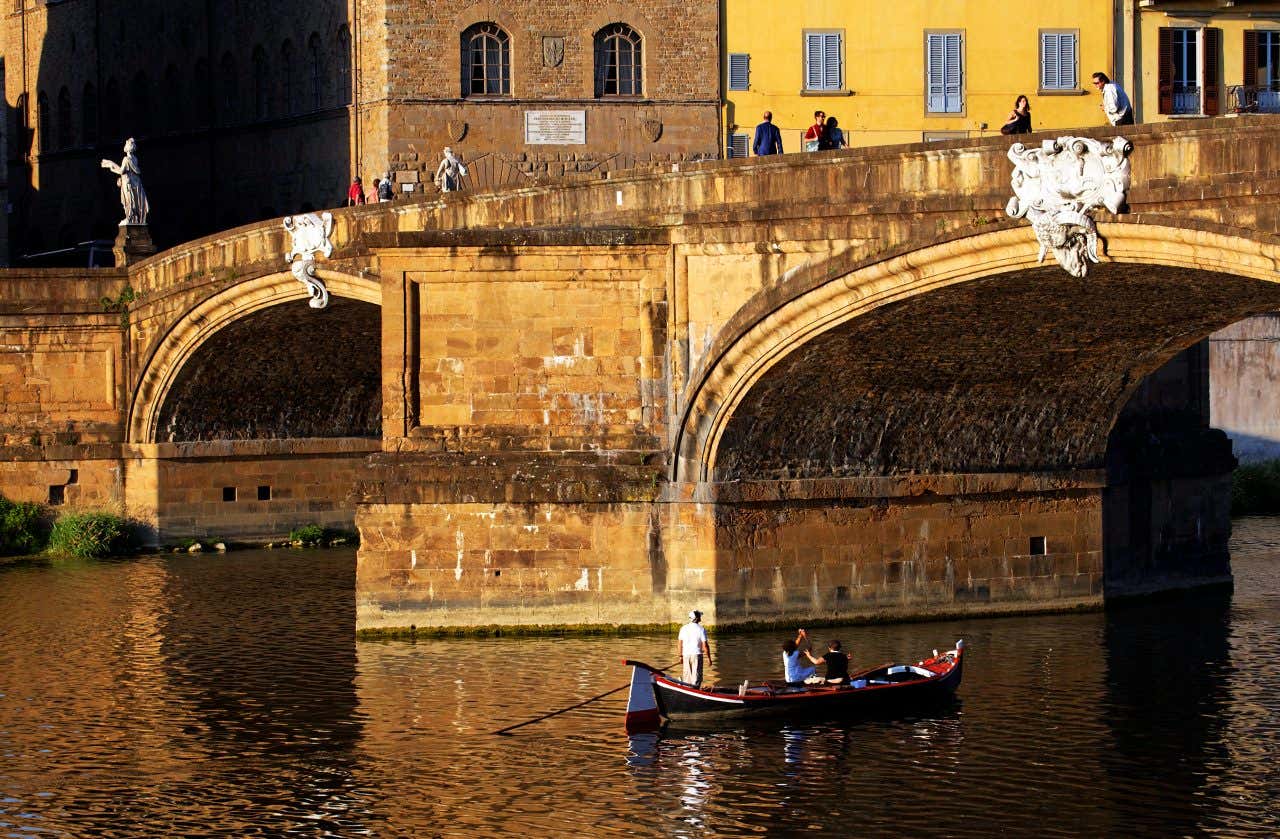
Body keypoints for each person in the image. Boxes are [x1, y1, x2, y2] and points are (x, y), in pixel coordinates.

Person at [99, 137, 149, 225]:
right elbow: (128, 172)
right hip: (136, 183)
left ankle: (130, 218)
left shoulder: (126, 159)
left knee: (129, 201)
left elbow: (122, 171)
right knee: (134, 201)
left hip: (128, 183)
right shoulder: (135, 159)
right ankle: (134, 218)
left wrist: (111, 167)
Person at [677, 610, 712, 687]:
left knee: (687, 678)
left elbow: (680, 644)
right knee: (696, 678)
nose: (700, 617)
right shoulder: (701, 629)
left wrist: (680, 656)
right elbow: (705, 645)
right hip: (697, 655)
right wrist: (709, 658)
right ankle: (695, 691)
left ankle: (687, 692)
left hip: (686, 655)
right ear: (696, 618)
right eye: (699, 616)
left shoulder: (683, 628)